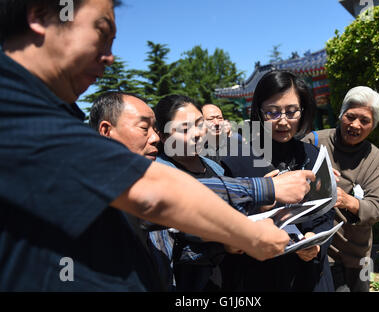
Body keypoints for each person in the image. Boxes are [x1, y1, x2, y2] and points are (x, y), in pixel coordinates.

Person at [0, 0, 303, 291]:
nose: (109, 57)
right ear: (40, 17)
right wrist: (257, 214)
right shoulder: (14, 109)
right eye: (101, 33)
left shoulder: (46, 112)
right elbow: (153, 191)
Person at [89, 91, 305, 291]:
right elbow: (182, 194)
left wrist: (225, 244)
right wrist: (266, 189)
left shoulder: (216, 166)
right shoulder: (98, 180)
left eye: (200, 124)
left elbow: (170, 252)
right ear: (106, 131)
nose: (154, 138)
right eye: (144, 129)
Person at [219, 70, 336, 292]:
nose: (283, 121)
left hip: (309, 276)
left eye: (292, 112)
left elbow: (327, 213)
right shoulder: (236, 158)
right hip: (258, 275)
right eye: (272, 112)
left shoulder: (312, 155)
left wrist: (315, 242)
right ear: (258, 111)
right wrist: (260, 200)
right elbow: (221, 218)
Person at [302, 86, 379, 292]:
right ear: (341, 115)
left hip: (359, 253)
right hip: (319, 249)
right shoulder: (313, 143)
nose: (355, 125)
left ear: (373, 125)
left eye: (365, 120)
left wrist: (346, 200)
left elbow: (377, 208)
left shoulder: (374, 157)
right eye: (350, 116)